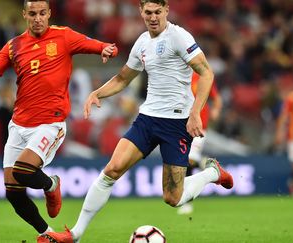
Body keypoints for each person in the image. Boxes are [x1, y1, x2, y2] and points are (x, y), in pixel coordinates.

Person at [41, 1, 233, 242]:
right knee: (111, 170)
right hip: (148, 119)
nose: (153, 17)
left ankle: (211, 173)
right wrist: (97, 93)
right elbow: (123, 78)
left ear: (166, 11)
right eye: (148, 13)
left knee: (173, 198)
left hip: (177, 123)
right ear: (141, 12)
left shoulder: (179, 37)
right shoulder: (142, 42)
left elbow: (206, 73)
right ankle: (75, 234)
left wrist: (195, 113)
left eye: (157, 12)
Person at [0, 0, 118, 241]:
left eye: (42, 13)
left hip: (50, 123)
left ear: (49, 13)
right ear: (24, 15)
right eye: (32, 14)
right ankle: (47, 234)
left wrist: (106, 49)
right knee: (13, 193)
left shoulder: (64, 37)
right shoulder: (13, 46)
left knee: (23, 170)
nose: (38, 18)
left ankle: (51, 185)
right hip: (19, 125)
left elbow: (97, 45)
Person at [178, 72, 223, 215]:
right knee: (183, 161)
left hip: (199, 125)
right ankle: (205, 164)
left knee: (189, 160)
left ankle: (187, 202)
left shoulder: (203, 76)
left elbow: (216, 99)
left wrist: (215, 110)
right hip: (180, 124)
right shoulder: (178, 74)